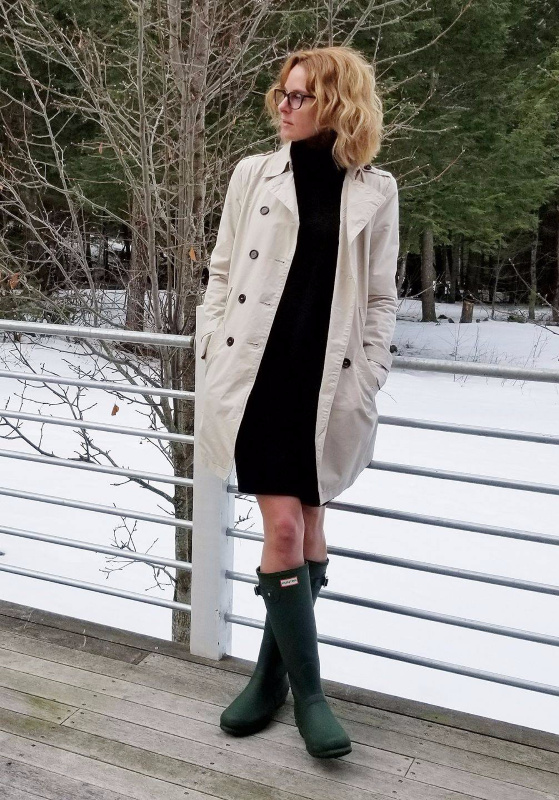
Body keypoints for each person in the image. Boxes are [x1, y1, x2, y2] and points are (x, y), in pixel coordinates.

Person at [196, 45, 399, 759]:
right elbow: (222, 272)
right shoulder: (253, 174)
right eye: (281, 94)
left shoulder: (377, 191)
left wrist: (369, 371)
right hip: (256, 378)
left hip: (326, 384)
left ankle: (267, 678)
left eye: (300, 97)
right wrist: (210, 340)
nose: (283, 106)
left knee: (310, 528)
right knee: (285, 530)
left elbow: (379, 297)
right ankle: (311, 697)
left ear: (337, 106)